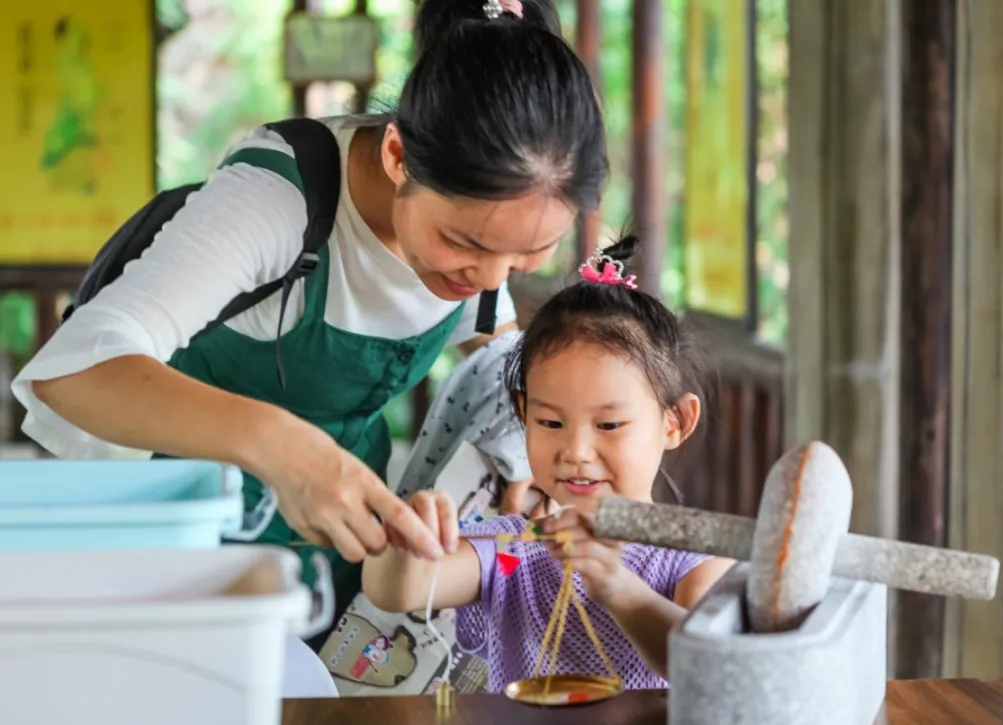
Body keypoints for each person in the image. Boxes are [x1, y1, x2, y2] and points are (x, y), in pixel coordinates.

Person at [10, 0, 606, 651]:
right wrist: (280, 445)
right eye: (462, 241)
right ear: (399, 155)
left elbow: (496, 354)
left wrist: (528, 450)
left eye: (527, 254)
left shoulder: (482, 234)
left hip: (340, 547)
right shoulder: (279, 199)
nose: (492, 278)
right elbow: (75, 369)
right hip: (179, 551)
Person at [363, 237, 736, 693]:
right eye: (551, 421)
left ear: (676, 421)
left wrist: (617, 587)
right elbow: (398, 591)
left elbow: (712, 668)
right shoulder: (512, 550)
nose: (576, 450)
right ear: (524, 413)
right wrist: (405, 542)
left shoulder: (691, 563)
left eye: (610, 424)